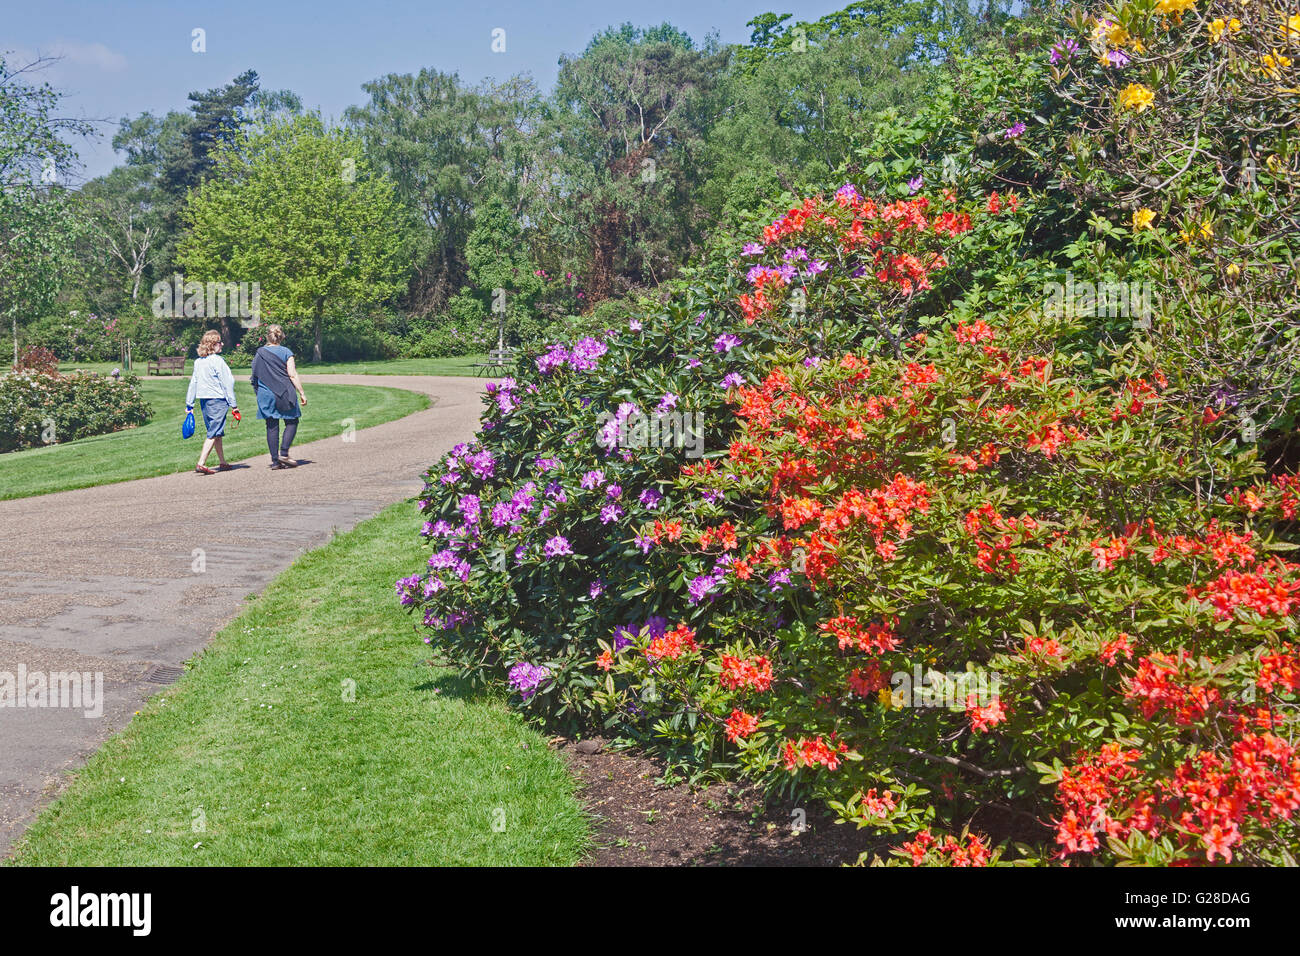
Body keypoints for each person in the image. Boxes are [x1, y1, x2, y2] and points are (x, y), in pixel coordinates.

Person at [249, 324, 308, 469]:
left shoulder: (260, 353)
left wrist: (258, 392)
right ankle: (284, 453)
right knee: (292, 421)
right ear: (281, 336)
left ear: (268, 337)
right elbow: (292, 374)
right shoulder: (286, 352)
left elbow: (254, 375)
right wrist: (301, 392)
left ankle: (275, 461)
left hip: (266, 394)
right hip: (284, 393)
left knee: (271, 425)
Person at [185, 330, 239, 475]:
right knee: (214, 432)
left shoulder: (198, 362)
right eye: (219, 342)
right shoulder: (217, 361)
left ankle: (222, 462)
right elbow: (227, 383)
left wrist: (189, 404)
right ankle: (201, 463)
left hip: (204, 400)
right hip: (218, 400)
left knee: (217, 432)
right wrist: (233, 405)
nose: (222, 344)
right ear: (213, 344)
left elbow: (193, 383)